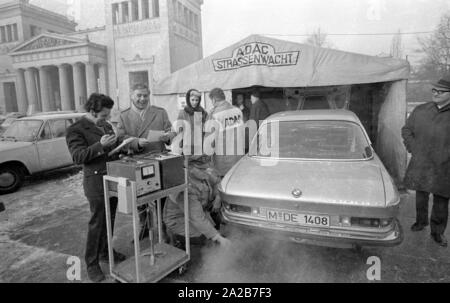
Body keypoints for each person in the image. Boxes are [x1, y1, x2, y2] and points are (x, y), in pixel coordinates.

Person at [66, 93, 142, 282]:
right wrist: (99, 146)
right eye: (103, 116)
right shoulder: (75, 129)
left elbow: (113, 147)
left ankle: (105, 252)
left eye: (108, 116)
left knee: (110, 220)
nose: (107, 120)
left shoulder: (105, 125)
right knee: (97, 224)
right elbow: (78, 157)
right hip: (96, 183)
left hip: (113, 178)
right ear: (91, 111)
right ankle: (91, 264)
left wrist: (127, 146)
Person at [117, 83, 176, 241]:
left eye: (145, 96)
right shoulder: (123, 116)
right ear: (131, 96)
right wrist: (135, 142)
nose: (142, 99)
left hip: (158, 162)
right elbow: (120, 139)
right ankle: (143, 228)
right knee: (140, 201)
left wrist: (169, 136)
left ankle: (163, 232)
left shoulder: (160, 112)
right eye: (139, 96)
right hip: (137, 163)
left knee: (161, 200)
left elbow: (170, 130)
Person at [401, 75, 450, 247]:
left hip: (444, 166)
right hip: (422, 162)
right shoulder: (421, 110)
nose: (435, 93)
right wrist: (414, 148)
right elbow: (406, 130)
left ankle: (437, 232)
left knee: (441, 200)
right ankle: (421, 222)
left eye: (441, 91)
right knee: (421, 195)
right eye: (434, 90)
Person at [164, 155, 231, 249]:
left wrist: (218, 199)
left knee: (217, 227)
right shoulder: (186, 187)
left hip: (200, 212)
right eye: (202, 169)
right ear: (190, 168)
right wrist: (217, 238)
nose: (207, 171)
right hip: (179, 220)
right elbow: (197, 218)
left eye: (207, 167)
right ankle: (176, 243)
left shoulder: (204, 173)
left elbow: (218, 182)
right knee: (209, 239)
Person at [206, 88, 244, 177]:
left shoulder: (214, 114)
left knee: (223, 186)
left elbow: (209, 140)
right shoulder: (238, 111)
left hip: (223, 162)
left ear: (213, 99)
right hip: (238, 158)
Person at [176, 89, 207, 155]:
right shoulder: (183, 113)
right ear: (188, 100)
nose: (195, 102)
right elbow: (179, 130)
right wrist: (180, 143)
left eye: (197, 100)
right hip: (187, 146)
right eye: (192, 100)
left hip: (200, 146)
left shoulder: (203, 112)